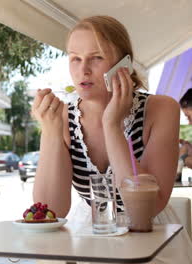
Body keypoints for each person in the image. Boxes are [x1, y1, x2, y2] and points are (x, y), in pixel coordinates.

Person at [31, 15, 192, 263]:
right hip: (93, 239)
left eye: (96, 58)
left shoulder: (161, 109)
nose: (83, 70)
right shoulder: (62, 116)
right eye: (75, 58)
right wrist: (51, 132)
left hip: (153, 241)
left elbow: (145, 210)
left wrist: (112, 125)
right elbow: (51, 211)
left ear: (124, 65)